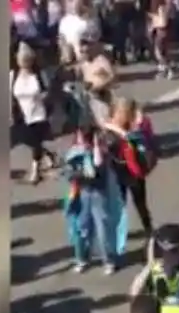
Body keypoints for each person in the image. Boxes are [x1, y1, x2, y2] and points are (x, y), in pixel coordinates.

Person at [62, 128, 127, 274]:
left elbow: (98, 165)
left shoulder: (101, 152)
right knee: (81, 227)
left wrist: (96, 146)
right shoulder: (74, 154)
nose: (81, 141)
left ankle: (109, 261)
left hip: (98, 195)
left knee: (102, 228)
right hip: (82, 194)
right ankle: (81, 259)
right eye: (79, 137)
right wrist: (76, 174)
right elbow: (68, 173)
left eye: (83, 139)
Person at [102, 97, 156, 237]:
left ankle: (140, 228)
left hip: (126, 170)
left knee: (131, 203)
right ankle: (146, 228)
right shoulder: (116, 131)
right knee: (133, 203)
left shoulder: (126, 130)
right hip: (126, 170)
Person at [10, 42, 56, 185]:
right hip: (20, 113)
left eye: (27, 60)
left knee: (35, 140)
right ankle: (47, 154)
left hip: (38, 113)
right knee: (22, 139)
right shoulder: (13, 75)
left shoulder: (39, 75)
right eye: (22, 60)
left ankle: (35, 171)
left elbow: (48, 91)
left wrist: (44, 97)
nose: (25, 62)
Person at [79, 35, 116, 127]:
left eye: (87, 50)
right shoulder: (83, 64)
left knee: (106, 120)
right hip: (90, 96)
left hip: (103, 95)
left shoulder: (101, 61)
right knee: (94, 122)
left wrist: (100, 86)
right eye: (82, 51)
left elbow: (112, 77)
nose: (85, 53)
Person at [150, 0, 174, 79]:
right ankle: (163, 69)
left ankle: (168, 68)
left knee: (159, 51)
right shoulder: (156, 4)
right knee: (161, 50)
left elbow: (163, 21)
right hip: (159, 26)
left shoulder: (161, 5)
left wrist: (155, 24)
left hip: (162, 27)